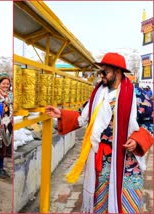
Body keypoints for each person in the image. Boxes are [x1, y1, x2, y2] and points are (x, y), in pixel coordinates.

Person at [45, 52, 154, 213]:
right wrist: (61, 114)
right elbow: (84, 116)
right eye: (100, 71)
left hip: (127, 161)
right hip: (101, 160)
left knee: (127, 202)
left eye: (105, 72)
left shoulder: (137, 96)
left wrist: (137, 140)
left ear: (117, 72)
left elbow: (150, 121)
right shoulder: (97, 94)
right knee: (101, 201)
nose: (101, 75)